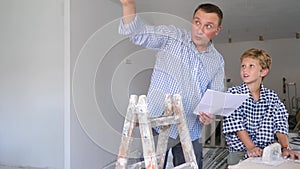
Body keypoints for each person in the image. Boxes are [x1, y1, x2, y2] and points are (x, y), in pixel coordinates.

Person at [119, 1, 224, 168]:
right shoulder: (172, 37)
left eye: (208, 26)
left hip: (189, 130)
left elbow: (215, 96)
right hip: (155, 124)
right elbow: (137, 33)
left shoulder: (217, 60)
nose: (199, 30)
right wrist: (128, 5)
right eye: (197, 22)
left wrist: (209, 114)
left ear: (217, 30)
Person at [222, 48, 300, 165]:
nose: (245, 70)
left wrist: (285, 147)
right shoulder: (233, 93)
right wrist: (251, 147)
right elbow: (236, 124)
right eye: (243, 66)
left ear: (263, 72)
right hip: (240, 154)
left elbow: (280, 122)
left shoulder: (271, 97)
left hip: (267, 153)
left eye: (251, 66)